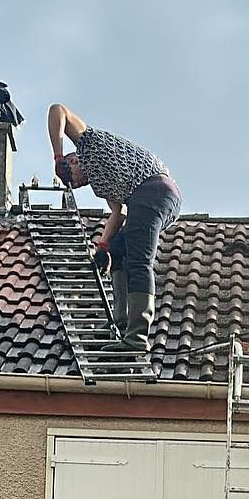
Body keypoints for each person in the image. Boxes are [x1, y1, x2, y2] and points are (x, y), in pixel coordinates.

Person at [46, 103, 181, 356]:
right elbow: (119, 213)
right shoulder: (102, 185)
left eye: (71, 175)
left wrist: (57, 156)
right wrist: (104, 247)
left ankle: (137, 336)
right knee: (120, 250)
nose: (74, 183)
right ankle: (122, 324)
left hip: (152, 191)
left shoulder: (88, 145)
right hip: (153, 199)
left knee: (140, 261)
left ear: (73, 160)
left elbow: (58, 110)